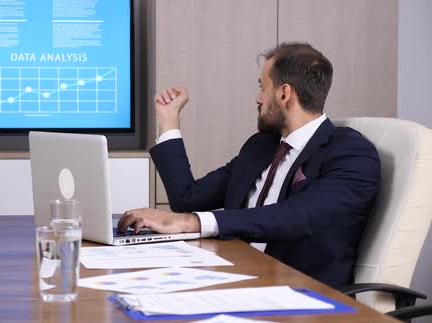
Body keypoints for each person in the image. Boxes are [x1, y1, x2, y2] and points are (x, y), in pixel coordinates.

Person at [118, 42, 381, 287]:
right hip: (232, 273)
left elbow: (297, 216)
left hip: (296, 290)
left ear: (283, 93)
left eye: (262, 87)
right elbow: (187, 199)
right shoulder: (262, 146)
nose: (257, 98)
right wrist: (168, 119)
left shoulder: (351, 153)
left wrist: (190, 223)